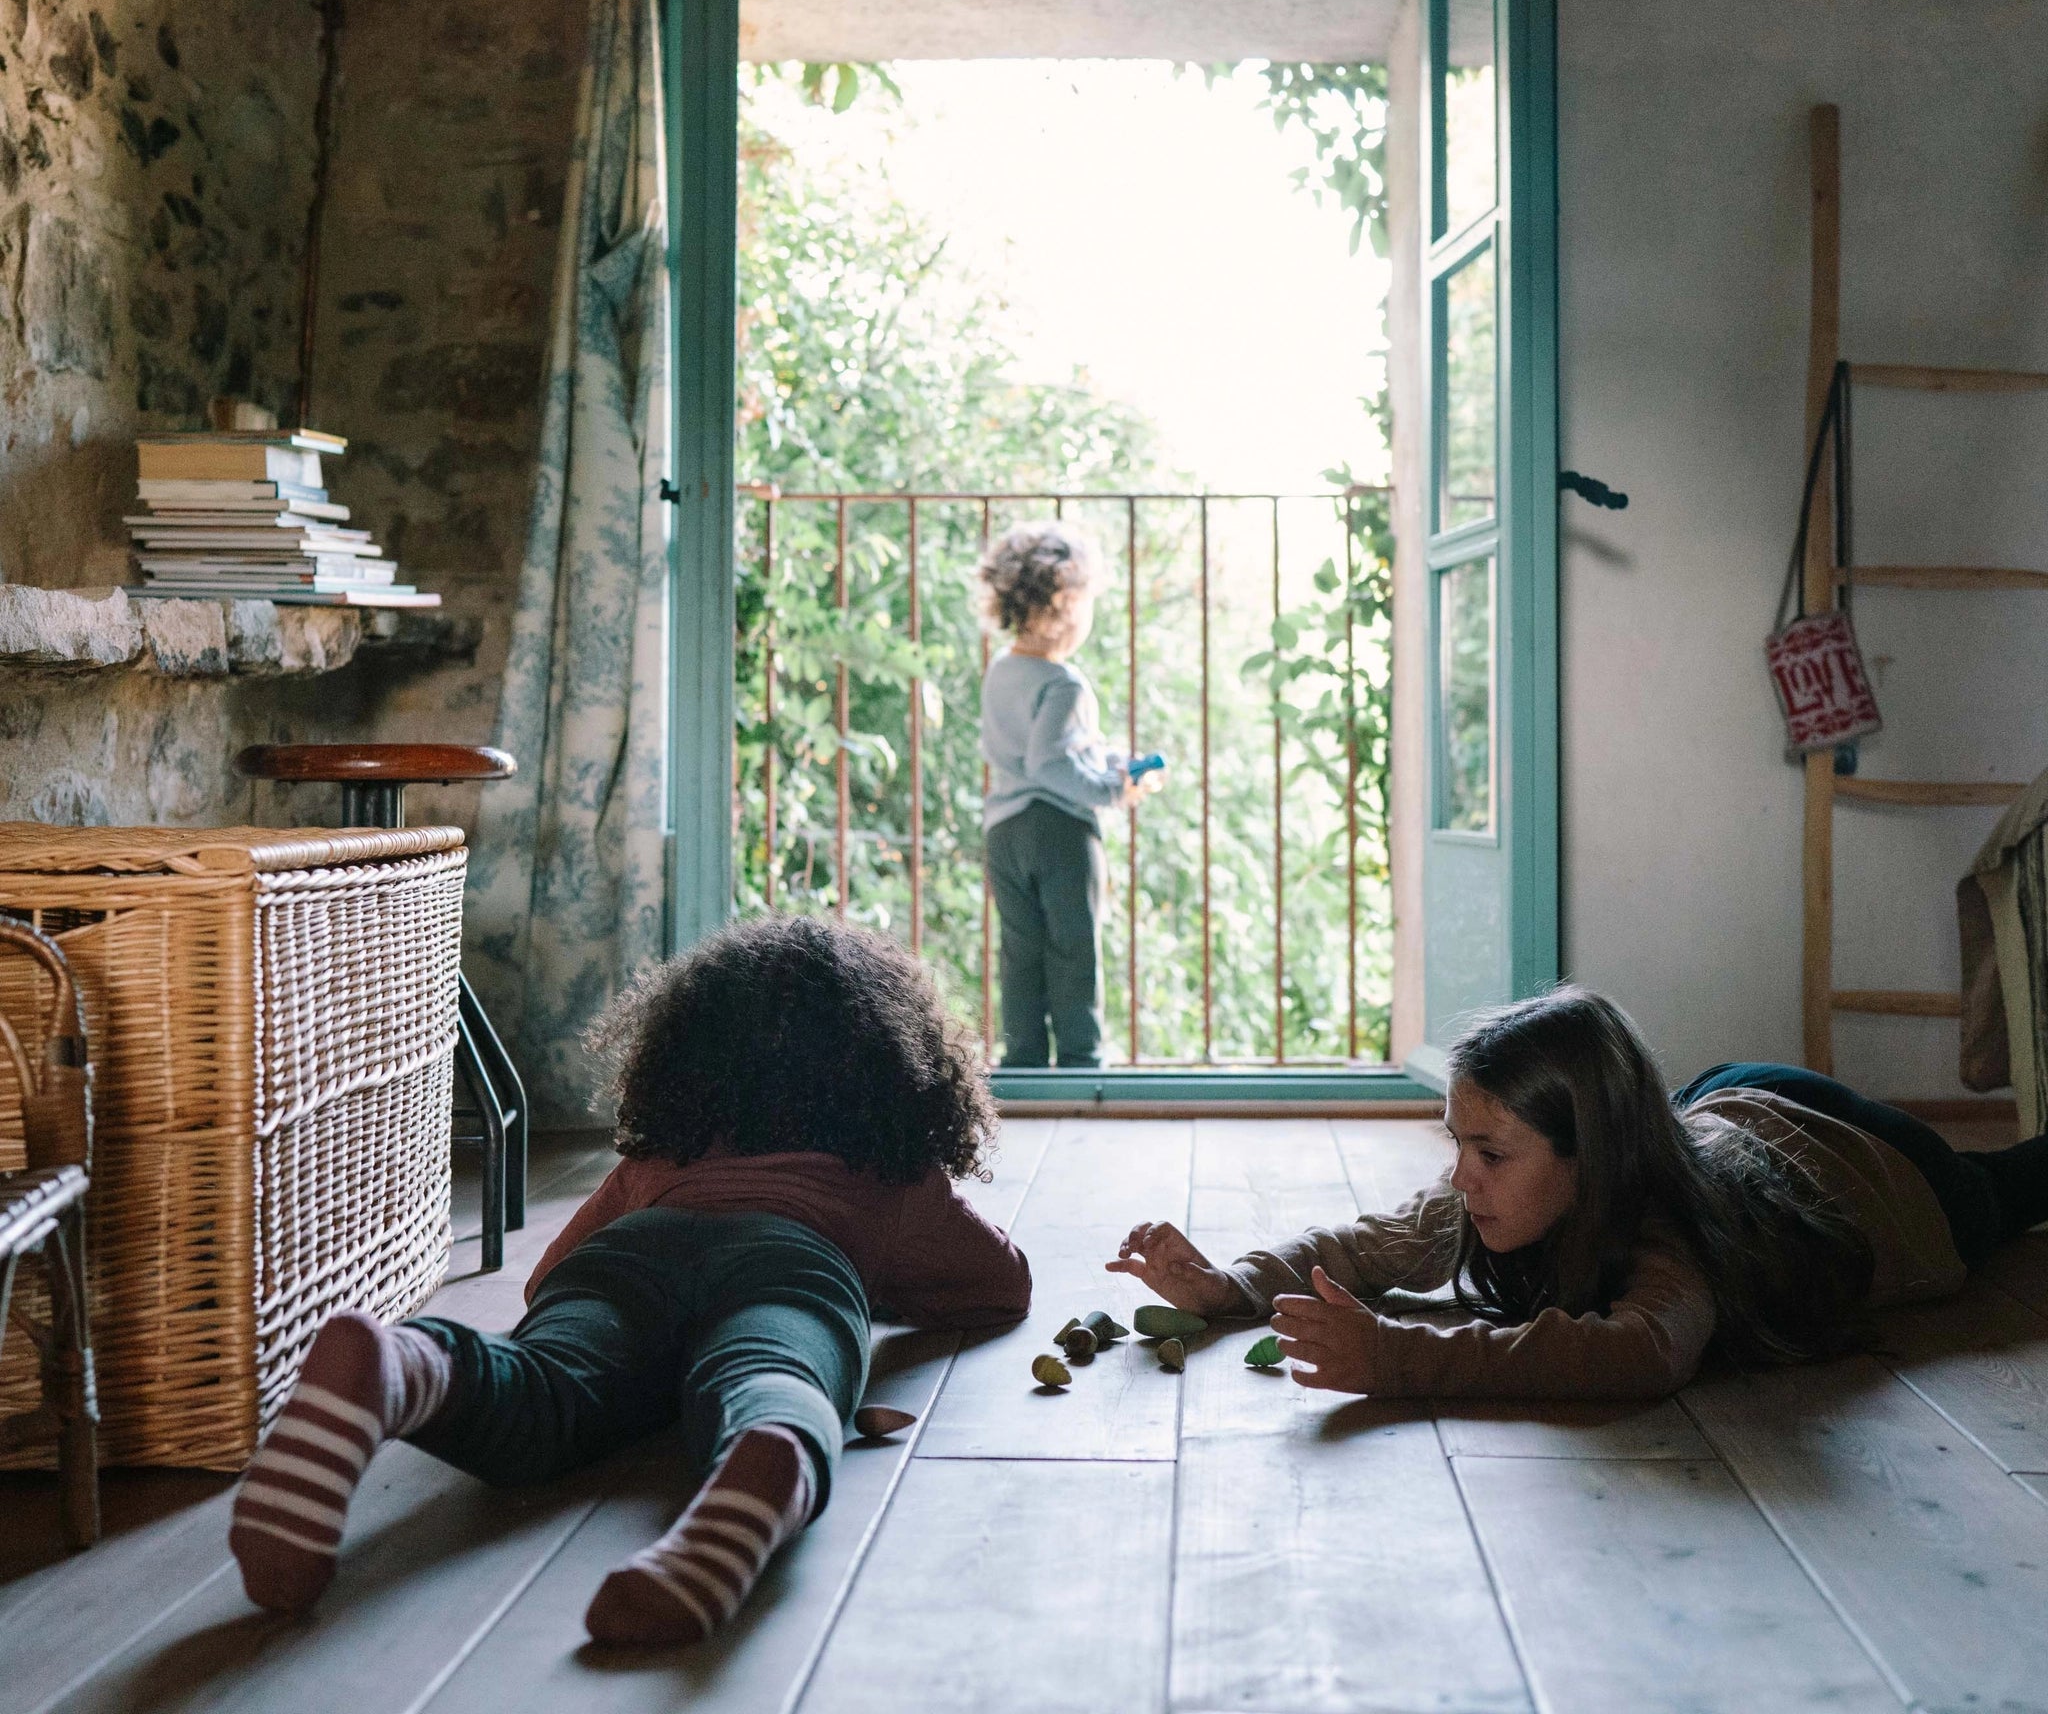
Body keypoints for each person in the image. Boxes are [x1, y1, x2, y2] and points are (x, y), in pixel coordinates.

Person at [230, 916, 1030, 1645]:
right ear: (895, 1069)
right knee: (774, 1378)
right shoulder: (890, 1174)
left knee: (542, 1392)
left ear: (685, 1054)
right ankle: (768, 1450)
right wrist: (876, 1282)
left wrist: (638, 1339)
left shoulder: (656, 1159)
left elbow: (547, 1279)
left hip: (629, 1258)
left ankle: (404, 1368)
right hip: (793, 1268)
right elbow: (1000, 1286)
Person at [1108, 984, 2048, 1398]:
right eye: (1459, 1145)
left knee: (2014, 1186)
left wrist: (1399, 1359)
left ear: (1590, 1156)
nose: (1463, 1177)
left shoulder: (1674, 1232)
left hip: (1882, 1175)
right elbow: (1364, 1247)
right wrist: (1230, 1286)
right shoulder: (1494, 1181)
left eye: (1492, 1154)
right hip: (1722, 1097)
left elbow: (1642, 1351)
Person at [977, 519, 1161, 1068]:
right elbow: (1050, 762)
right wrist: (1112, 789)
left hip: (1003, 830)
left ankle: (1025, 1058)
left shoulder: (1000, 672)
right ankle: (1082, 1060)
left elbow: (1036, 751)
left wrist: (1108, 762)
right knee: (1073, 945)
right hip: (1058, 829)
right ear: (1064, 602)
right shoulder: (1065, 682)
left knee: (1021, 949)